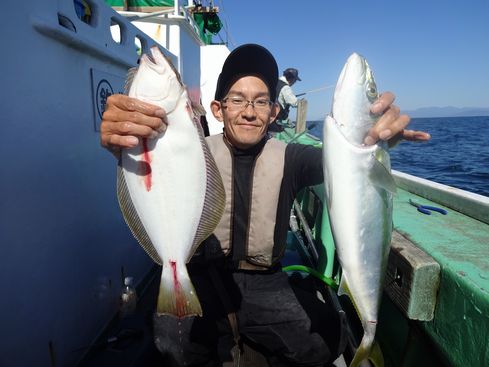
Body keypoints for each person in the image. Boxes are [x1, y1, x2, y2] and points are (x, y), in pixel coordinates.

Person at [100, 43, 430, 366]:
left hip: (264, 282)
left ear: (273, 112)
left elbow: (346, 163)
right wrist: (124, 138)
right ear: (218, 109)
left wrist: (371, 139)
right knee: (171, 345)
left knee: (327, 337)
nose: (248, 111)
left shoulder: (293, 158)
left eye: (261, 102)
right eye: (237, 100)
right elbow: (155, 159)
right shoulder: (191, 149)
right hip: (201, 276)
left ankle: (242, 339)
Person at [269, 68, 301, 132]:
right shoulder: (286, 88)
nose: (295, 82)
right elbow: (295, 103)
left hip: (269, 116)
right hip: (277, 119)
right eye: (295, 80)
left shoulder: (275, 82)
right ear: (292, 79)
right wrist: (300, 101)